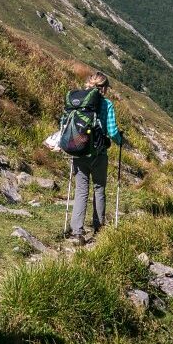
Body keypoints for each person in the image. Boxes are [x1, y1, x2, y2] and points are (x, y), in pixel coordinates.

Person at [68, 71, 124, 241]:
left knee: (81, 191)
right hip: (99, 153)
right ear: (104, 88)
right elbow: (113, 131)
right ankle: (98, 228)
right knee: (99, 189)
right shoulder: (106, 104)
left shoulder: (77, 101)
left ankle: (77, 231)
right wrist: (121, 140)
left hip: (78, 150)